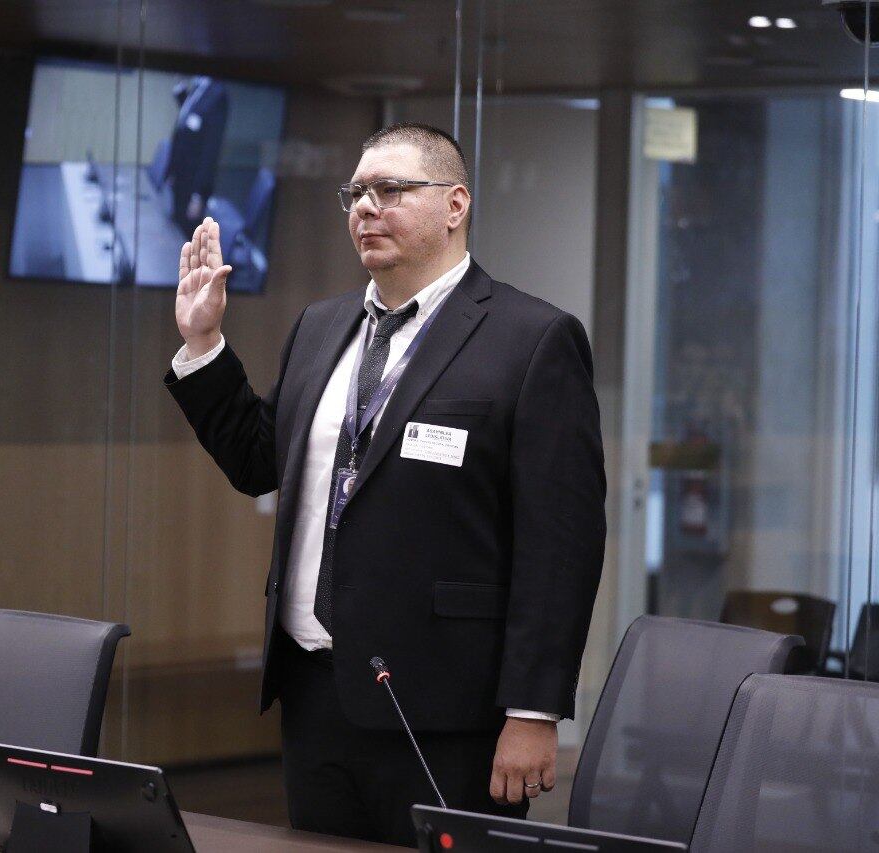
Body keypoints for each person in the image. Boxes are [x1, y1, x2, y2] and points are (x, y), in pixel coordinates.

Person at [164, 122, 606, 846]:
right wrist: (204, 344)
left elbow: (562, 543)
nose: (366, 207)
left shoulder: (532, 339)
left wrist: (533, 710)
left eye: (391, 190)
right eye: (357, 192)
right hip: (314, 690)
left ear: (455, 204)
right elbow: (256, 462)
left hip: (445, 708)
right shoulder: (321, 326)